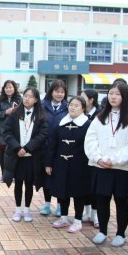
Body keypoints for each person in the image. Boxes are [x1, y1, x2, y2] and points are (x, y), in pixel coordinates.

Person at [85, 81, 128, 246]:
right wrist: (98, 158)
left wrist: (114, 160)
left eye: (117, 94)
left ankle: (120, 234)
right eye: (111, 93)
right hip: (100, 166)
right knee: (101, 200)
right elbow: (90, 140)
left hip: (121, 168)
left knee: (121, 201)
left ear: (124, 97)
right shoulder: (100, 117)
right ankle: (102, 231)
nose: (113, 97)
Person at [45, 96, 91, 233]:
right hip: (61, 164)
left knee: (79, 193)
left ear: (83, 108)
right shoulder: (61, 123)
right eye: (71, 105)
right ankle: (63, 218)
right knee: (62, 191)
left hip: (80, 165)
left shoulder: (88, 124)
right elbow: (52, 145)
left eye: (77, 105)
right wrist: (48, 163)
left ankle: (77, 220)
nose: (72, 107)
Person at [2, 87, 49, 223]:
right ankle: (18, 210)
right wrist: (17, 147)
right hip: (17, 156)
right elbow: (7, 132)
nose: (27, 99)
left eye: (31, 96)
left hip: (31, 157)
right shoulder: (15, 113)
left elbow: (43, 135)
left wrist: (28, 148)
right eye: (25, 96)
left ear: (36, 100)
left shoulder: (41, 115)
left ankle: (27, 210)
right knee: (18, 184)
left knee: (29, 184)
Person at [39, 81, 69, 216]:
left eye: (62, 92)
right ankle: (46, 204)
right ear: (51, 92)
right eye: (57, 91)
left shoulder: (68, 107)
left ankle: (59, 205)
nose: (59, 94)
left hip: (61, 148)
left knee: (60, 177)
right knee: (47, 176)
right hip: (44, 147)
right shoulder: (42, 105)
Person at [0, 80, 22, 181]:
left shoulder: (19, 99)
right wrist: (6, 112)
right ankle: (4, 175)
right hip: (2, 131)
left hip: (15, 130)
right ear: (3, 89)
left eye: (10, 87)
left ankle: (13, 175)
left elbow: (24, 113)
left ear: (14, 88)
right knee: (3, 154)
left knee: (14, 153)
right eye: (6, 87)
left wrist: (14, 112)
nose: (8, 89)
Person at [80, 89, 100, 227]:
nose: (80, 99)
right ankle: (87, 212)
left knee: (95, 187)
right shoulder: (80, 113)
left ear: (91, 100)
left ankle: (96, 214)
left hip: (94, 156)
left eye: (83, 97)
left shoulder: (100, 115)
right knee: (84, 186)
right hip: (81, 155)